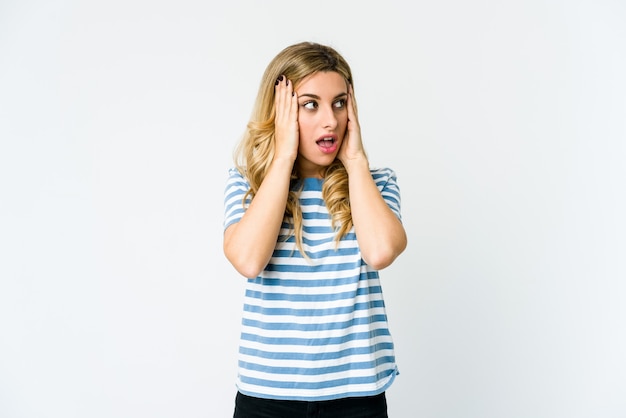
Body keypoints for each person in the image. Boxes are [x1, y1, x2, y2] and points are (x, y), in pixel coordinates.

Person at [223, 41, 407, 418]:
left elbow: (381, 251)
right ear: (280, 110)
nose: (331, 120)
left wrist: (355, 160)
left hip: (356, 399)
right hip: (266, 399)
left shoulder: (376, 184)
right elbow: (247, 260)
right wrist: (284, 156)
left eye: (340, 103)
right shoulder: (248, 186)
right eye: (311, 104)